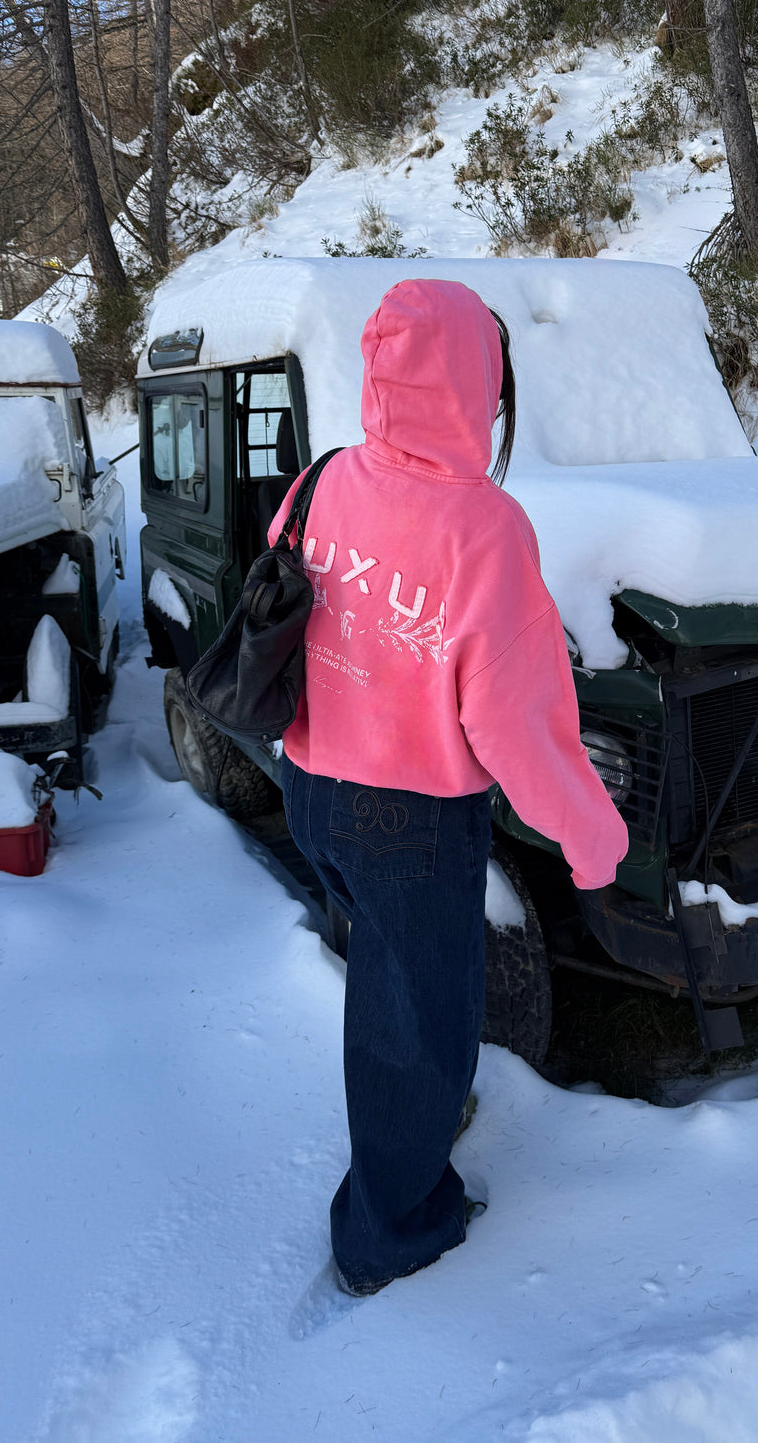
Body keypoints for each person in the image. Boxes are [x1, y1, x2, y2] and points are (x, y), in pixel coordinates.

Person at [271, 278, 628, 1298]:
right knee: (418, 1015)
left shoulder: (327, 479)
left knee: (389, 985)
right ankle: (392, 1230)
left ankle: (407, 1126)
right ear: (479, 386)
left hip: (312, 785)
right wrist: (591, 840)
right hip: (411, 814)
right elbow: (513, 725)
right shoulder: (484, 529)